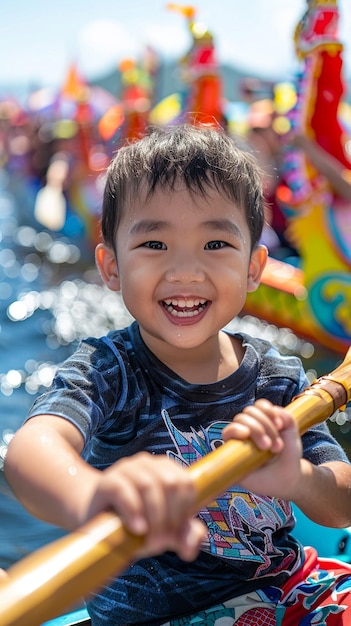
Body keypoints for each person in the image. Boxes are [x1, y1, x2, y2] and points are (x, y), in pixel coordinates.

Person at [4, 123, 351, 626]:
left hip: (287, 590)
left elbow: (339, 505)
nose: (186, 271)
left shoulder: (278, 378)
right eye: (154, 245)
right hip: (160, 616)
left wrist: (296, 478)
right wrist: (93, 495)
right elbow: (31, 451)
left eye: (215, 244)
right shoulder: (106, 370)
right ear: (111, 268)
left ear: (254, 268)